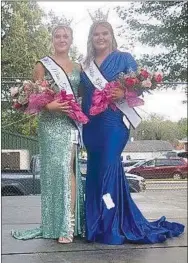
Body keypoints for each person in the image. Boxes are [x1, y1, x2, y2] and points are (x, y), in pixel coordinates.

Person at [80, 19, 184, 245]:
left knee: (108, 168)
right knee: (97, 172)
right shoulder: (85, 64)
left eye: (104, 33)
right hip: (91, 126)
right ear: (91, 38)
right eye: (96, 34)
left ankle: (109, 225)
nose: (101, 37)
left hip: (114, 125)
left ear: (111, 35)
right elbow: (81, 93)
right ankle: (100, 221)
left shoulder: (124, 58)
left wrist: (123, 94)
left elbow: (138, 89)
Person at [12, 24, 84, 243]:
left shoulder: (78, 67)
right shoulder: (42, 65)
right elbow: (34, 97)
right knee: (52, 173)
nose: (61, 39)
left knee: (66, 168)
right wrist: (49, 106)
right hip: (49, 124)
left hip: (69, 124)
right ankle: (53, 223)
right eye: (57, 36)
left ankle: (67, 225)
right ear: (52, 39)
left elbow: (82, 97)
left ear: (71, 39)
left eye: (66, 36)